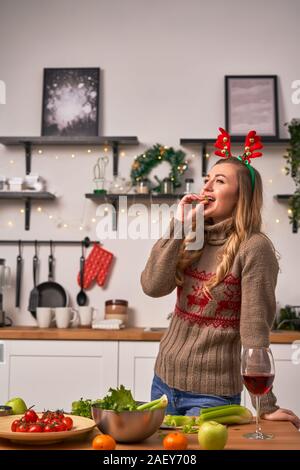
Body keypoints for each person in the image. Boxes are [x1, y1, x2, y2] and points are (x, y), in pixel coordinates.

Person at [141, 128, 300, 427]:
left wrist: (265, 406)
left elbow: (255, 332)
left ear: (241, 196)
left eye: (220, 181)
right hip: (162, 384)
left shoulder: (255, 248)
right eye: (206, 180)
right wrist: (178, 225)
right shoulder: (192, 235)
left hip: (211, 398)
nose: (207, 186)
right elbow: (151, 286)